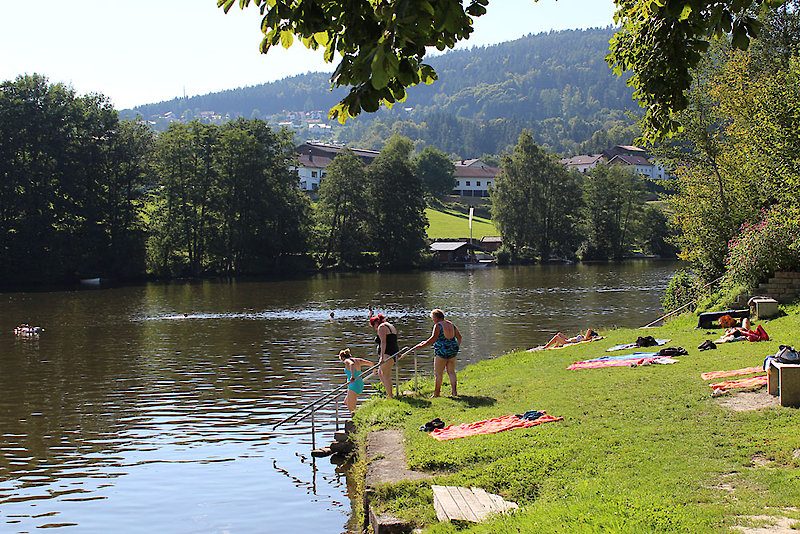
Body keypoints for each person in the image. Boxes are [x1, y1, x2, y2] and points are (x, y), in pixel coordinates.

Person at [413, 309, 462, 398]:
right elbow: (459, 337)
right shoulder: (451, 324)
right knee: (451, 371)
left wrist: (422, 346)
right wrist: (456, 347)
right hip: (453, 350)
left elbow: (433, 339)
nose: (433, 320)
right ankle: (454, 392)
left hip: (442, 351)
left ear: (436, 318)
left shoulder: (438, 326)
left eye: (433, 318)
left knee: (438, 373)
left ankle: (436, 394)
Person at [370, 313, 399, 398]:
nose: (373, 327)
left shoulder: (381, 328)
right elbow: (393, 340)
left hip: (387, 353)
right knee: (380, 373)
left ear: (376, 322)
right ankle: (389, 392)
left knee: (385, 375)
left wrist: (382, 357)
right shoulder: (390, 326)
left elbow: (383, 342)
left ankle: (390, 395)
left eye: (373, 324)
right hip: (392, 351)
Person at [338, 349, 373, 414]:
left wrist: (352, 376)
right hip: (359, 384)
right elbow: (370, 363)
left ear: (342, 358)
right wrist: (374, 370)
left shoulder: (346, 360)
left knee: (351, 409)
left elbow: (352, 364)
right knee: (346, 402)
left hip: (353, 385)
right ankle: (360, 414)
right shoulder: (357, 360)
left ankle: (356, 420)